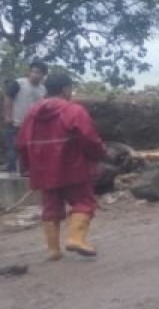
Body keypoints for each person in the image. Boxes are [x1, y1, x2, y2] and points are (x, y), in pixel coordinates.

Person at [17, 73, 105, 259]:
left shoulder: (32, 113)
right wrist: (99, 155)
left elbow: (22, 143)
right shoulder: (74, 110)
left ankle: (53, 249)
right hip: (72, 167)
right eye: (70, 89)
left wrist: (28, 166)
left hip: (43, 170)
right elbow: (89, 138)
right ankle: (75, 238)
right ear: (65, 89)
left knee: (51, 207)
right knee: (84, 201)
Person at [4, 60, 48, 173]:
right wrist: (8, 116)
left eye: (38, 72)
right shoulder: (19, 83)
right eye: (32, 71)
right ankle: (11, 170)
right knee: (12, 147)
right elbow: (8, 97)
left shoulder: (43, 89)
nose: (34, 74)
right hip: (16, 122)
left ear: (43, 75)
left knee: (29, 148)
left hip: (32, 125)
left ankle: (26, 169)